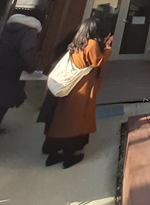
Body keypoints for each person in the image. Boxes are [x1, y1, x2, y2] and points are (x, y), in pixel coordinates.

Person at [42, 18, 113, 168]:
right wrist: (107, 48)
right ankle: (69, 156)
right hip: (81, 86)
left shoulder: (78, 41)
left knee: (62, 120)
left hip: (69, 85)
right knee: (75, 121)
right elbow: (97, 61)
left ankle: (52, 155)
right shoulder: (91, 44)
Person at [0, 12, 41, 135]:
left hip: (1, 63)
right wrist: (31, 67)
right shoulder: (30, 31)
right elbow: (27, 51)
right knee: (6, 97)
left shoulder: (9, 28)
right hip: (15, 67)